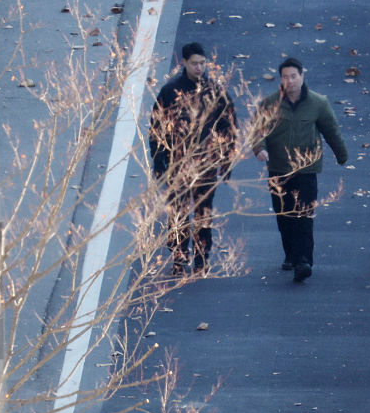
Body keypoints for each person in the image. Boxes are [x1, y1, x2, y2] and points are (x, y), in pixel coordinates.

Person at [253, 57, 349, 283]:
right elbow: (258, 131)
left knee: (304, 215)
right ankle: (291, 253)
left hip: (306, 168)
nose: (290, 81)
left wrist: (341, 155)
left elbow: (331, 130)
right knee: (284, 214)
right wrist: (259, 149)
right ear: (281, 80)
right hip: (278, 169)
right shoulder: (270, 104)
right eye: (285, 77)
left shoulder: (318, 103)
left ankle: (304, 261)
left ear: (302, 77)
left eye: (293, 76)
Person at [148, 42, 238, 274]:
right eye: (194, 63)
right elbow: (157, 129)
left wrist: (226, 160)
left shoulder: (215, 91)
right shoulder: (170, 92)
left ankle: (201, 257)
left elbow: (229, 127)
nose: (199, 68)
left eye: (202, 63)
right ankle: (179, 257)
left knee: (203, 212)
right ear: (184, 63)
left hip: (205, 164)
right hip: (176, 165)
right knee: (177, 213)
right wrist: (159, 162)